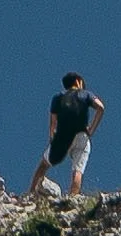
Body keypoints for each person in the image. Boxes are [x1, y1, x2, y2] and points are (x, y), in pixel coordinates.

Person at [28, 73, 105, 202]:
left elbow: (53, 122)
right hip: (83, 136)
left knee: (43, 164)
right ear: (78, 81)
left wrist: (53, 138)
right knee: (77, 171)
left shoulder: (58, 97)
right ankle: (72, 199)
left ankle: (30, 193)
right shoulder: (86, 94)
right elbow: (101, 108)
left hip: (64, 136)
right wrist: (91, 129)